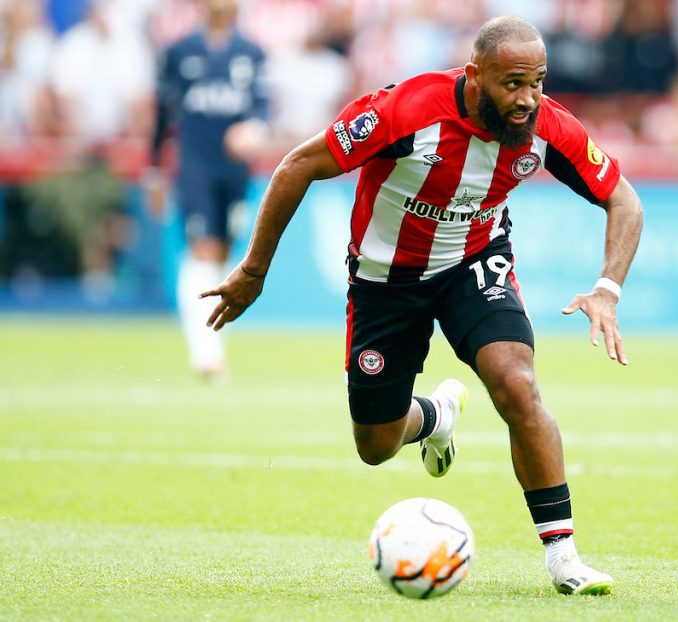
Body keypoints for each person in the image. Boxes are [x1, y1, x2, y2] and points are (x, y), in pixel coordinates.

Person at [201, 15, 643, 595]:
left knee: (516, 383)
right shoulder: (404, 111)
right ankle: (435, 418)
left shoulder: (547, 126)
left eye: (537, 82)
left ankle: (564, 557)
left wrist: (607, 289)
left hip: (474, 263)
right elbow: (298, 165)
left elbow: (624, 201)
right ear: (475, 74)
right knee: (375, 445)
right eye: (513, 83)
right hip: (386, 280)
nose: (527, 99)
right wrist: (254, 269)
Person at [146, 0, 269, 380]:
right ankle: (205, 351)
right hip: (194, 165)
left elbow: (261, 108)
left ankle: (213, 344)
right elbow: (162, 115)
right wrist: (153, 171)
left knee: (224, 256)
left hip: (234, 171)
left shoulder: (252, 53)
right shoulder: (179, 51)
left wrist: (254, 130)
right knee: (201, 249)